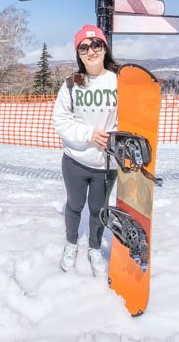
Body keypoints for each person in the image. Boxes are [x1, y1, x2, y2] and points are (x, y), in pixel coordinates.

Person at [52, 24, 120, 276]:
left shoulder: (119, 81)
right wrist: (89, 135)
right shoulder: (71, 84)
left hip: (106, 164)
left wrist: (116, 137)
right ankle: (71, 243)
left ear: (104, 48)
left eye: (96, 44)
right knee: (75, 205)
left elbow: (132, 119)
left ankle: (94, 247)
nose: (91, 51)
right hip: (76, 161)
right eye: (84, 47)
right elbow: (61, 121)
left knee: (98, 210)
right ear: (78, 54)